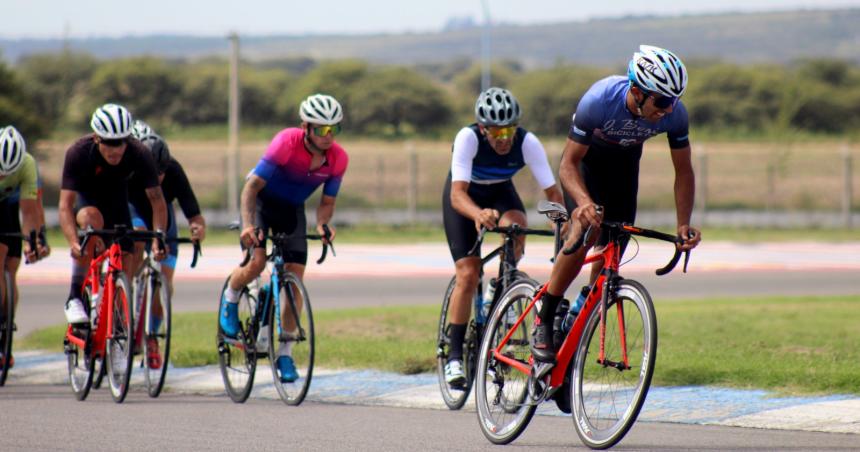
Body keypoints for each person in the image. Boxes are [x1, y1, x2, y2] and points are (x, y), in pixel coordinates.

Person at [529, 45, 702, 367]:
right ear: (637, 91)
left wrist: (683, 223)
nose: (668, 109)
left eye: (674, 101)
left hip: (624, 169)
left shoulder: (675, 114)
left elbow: (684, 171)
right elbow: (567, 164)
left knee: (613, 255)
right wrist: (583, 204)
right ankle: (546, 314)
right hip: (587, 166)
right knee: (587, 232)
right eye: (662, 101)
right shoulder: (599, 100)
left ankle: (579, 315)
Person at [219, 93, 348, 382]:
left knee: (295, 279)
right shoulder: (286, 142)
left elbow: (326, 203)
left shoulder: (339, 159)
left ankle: (286, 354)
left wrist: (324, 225)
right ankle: (230, 297)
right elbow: (251, 188)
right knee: (257, 262)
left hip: (292, 210)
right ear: (305, 126)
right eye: (321, 129)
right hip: (262, 203)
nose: (328, 136)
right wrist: (248, 226)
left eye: (335, 129)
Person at [442, 87, 563, 387]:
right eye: (497, 130)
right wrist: (477, 214)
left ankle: (502, 287)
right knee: (468, 273)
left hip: (499, 191)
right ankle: (454, 356)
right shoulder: (467, 138)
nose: (504, 137)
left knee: (517, 227)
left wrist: (559, 220)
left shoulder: (528, 143)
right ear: (483, 129)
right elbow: (457, 195)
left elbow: (552, 194)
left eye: (510, 129)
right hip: (466, 197)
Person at [59, 103, 168, 325]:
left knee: (126, 258)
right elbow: (65, 205)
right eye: (109, 143)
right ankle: (74, 297)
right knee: (92, 220)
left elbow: (157, 200)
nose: (116, 149)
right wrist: (73, 241)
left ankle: (117, 326)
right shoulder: (78, 152)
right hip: (87, 202)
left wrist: (158, 237)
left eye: (121, 142)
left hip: (117, 204)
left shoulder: (139, 152)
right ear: (97, 138)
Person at [127, 119, 206, 368]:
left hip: (164, 217)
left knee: (165, 287)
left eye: (162, 171)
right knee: (137, 236)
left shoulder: (174, 169)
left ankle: (153, 337)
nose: (158, 177)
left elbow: (194, 212)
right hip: (135, 211)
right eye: (154, 172)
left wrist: (197, 228)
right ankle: (124, 294)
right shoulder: (127, 169)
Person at [0, 125, 50, 368]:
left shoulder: (27, 164)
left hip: (9, 203)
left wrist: (33, 241)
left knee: (11, 268)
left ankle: (6, 326)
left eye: (6, 172)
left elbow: (29, 211)